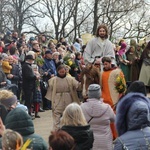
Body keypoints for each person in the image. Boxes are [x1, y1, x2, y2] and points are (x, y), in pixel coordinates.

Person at [45, 65, 81, 130]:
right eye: (60, 72)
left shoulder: (71, 79)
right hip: (57, 98)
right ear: (58, 71)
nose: (62, 73)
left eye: (63, 72)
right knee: (56, 116)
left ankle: (70, 129)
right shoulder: (53, 80)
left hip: (68, 98)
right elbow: (50, 90)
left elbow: (77, 86)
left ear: (65, 71)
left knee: (69, 114)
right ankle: (56, 131)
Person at [81, 84, 115, 150]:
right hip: (105, 143)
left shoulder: (82, 107)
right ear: (100, 94)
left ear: (89, 94)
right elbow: (114, 119)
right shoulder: (107, 108)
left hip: (89, 142)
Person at [101, 57, 126, 139]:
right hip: (104, 100)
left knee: (115, 119)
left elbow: (122, 86)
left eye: (106, 63)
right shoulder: (101, 73)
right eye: (104, 64)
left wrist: (120, 96)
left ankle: (117, 136)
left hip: (114, 100)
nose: (105, 65)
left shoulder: (117, 72)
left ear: (110, 63)